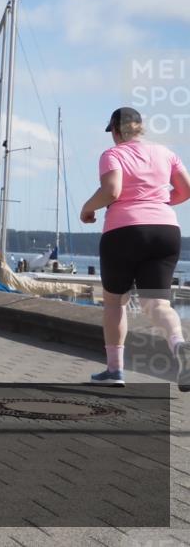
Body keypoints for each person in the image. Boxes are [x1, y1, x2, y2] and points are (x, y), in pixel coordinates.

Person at [81, 107, 190, 388]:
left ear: (116, 131)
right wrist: (159, 203)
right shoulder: (166, 153)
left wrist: (87, 208)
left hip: (124, 230)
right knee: (157, 304)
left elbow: (112, 191)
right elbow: (186, 189)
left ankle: (115, 370)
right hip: (166, 230)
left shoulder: (113, 154)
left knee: (115, 301)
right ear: (140, 128)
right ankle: (180, 346)